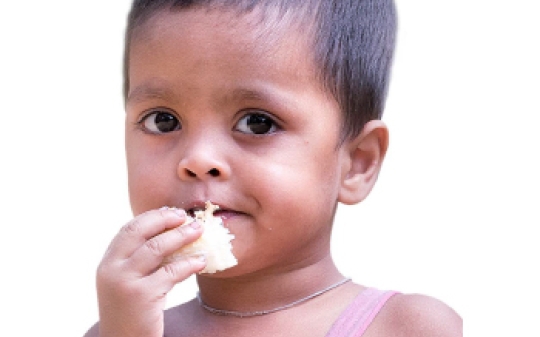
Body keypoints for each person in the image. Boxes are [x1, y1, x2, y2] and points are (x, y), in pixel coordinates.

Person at [84, 0, 462, 336]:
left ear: (356, 163)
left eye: (257, 123)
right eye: (163, 121)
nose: (198, 160)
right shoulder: (121, 330)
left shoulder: (408, 326)